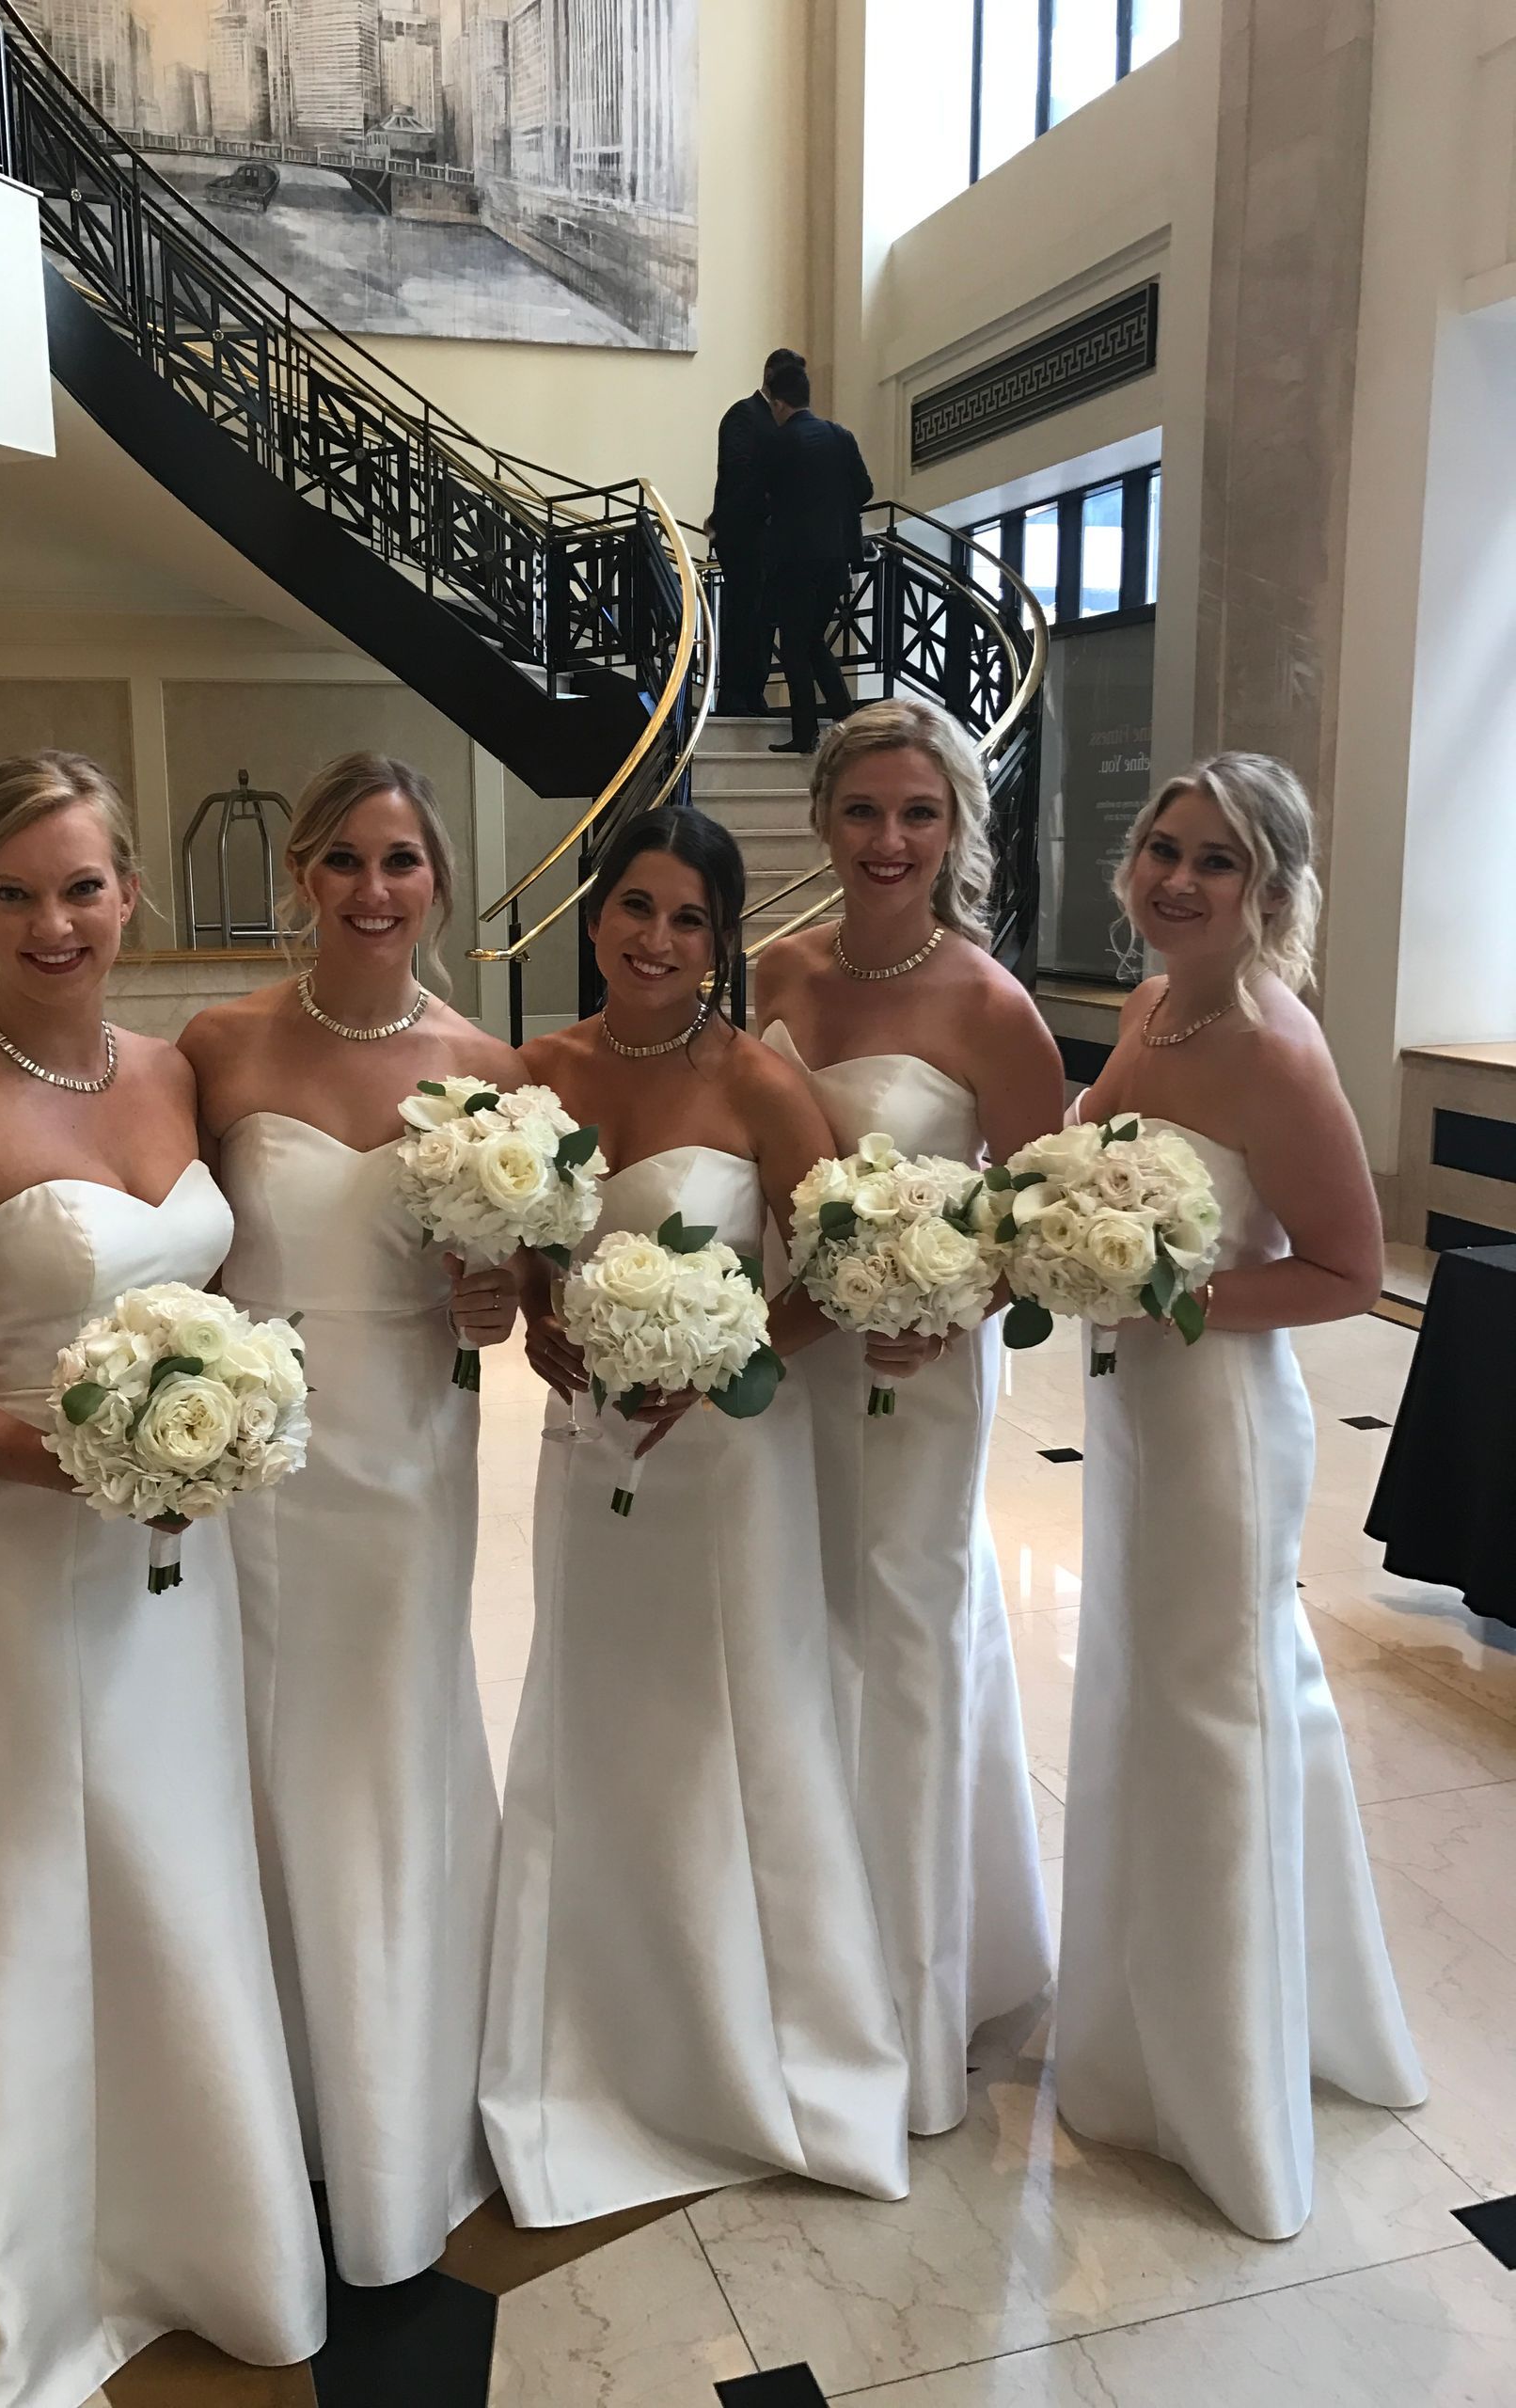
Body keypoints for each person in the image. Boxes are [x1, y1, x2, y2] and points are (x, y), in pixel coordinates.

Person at [0, 753, 324, 2408]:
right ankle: (8, 2287)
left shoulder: (178, 1075)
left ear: (131, 894)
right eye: (17, 891)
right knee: (26, 1882)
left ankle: (195, 2232)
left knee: (173, 1867)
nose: (55, 920)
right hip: (18, 1565)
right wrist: (87, 1460)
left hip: (180, 1563)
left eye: (83, 885)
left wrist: (212, 1431)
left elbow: (232, 1290)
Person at [480, 804, 910, 2227]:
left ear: (722, 946)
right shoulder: (534, 1074)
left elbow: (839, 1263)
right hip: (586, 1443)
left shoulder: (755, 1083)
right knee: (599, 1712)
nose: (656, 940)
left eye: (690, 920)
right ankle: (593, 2026)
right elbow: (526, 1244)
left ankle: (759, 2043)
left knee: (735, 1720)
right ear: (595, 915)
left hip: (728, 1465)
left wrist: (732, 1359)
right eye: (636, 908)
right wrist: (542, 1318)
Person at [1055, 752, 1426, 2240]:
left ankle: (1232, 2094)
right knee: (1156, 1699)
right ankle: (1152, 2034)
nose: (1179, 881)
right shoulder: (1149, 1009)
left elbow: (1348, 1266)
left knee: (1217, 1709)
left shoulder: (1276, 1047)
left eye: (1217, 861)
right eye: (1163, 849)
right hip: (1137, 1405)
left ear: (1269, 889)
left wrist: (1175, 1293)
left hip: (1218, 1421)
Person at [179, 752, 521, 2287]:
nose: (373, 891)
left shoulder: (489, 1071)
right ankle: (268, 2097)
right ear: (301, 877)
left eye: (401, 862)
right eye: (345, 863)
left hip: (408, 1450)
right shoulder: (219, 1047)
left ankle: (399, 2093)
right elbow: (173, 1248)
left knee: (389, 1747)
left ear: (437, 880)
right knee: (261, 1745)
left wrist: (496, 1292)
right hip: (260, 1463)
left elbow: (504, 1317)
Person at [754, 699, 1058, 2136]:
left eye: (918, 815)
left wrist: (953, 1293)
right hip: (797, 1355)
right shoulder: (779, 973)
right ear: (825, 821)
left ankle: (917, 1983)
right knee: (801, 1618)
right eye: (865, 812)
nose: (888, 841)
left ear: (956, 832)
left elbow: (1038, 1218)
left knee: (910, 1625)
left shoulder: (989, 1004)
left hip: (923, 1367)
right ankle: (804, 1952)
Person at [758, 356, 873, 755]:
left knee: (793, 645)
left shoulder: (780, 442)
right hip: (836, 559)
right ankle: (847, 723)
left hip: (796, 561)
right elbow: (865, 490)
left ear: (777, 403)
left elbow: (764, 499)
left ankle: (806, 734)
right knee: (813, 641)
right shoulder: (840, 436)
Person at [706, 345, 804, 716]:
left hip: (771, 538)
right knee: (745, 615)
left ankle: (753, 690)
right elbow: (739, 472)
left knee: (764, 618)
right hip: (745, 536)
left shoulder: (782, 420)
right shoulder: (744, 415)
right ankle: (735, 694)